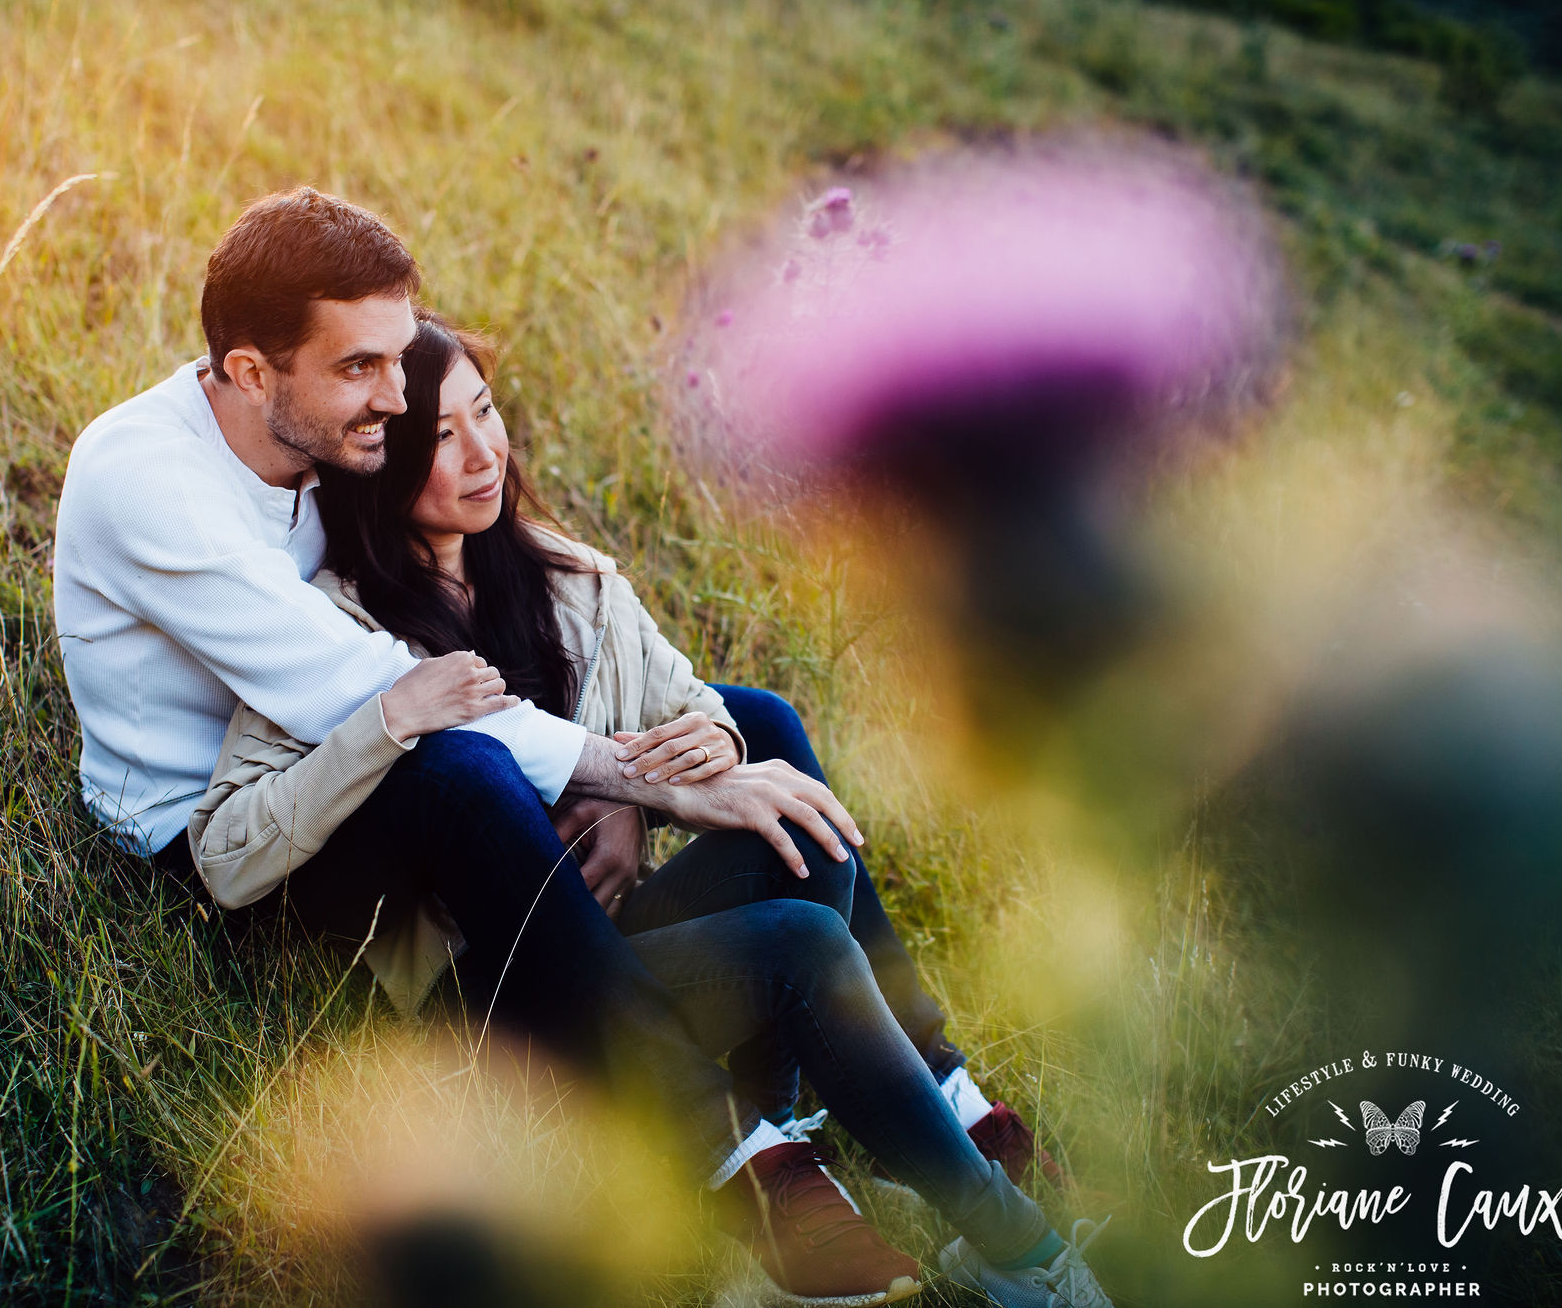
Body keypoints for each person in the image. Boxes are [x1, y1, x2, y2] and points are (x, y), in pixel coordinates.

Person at [54, 188, 915, 1305]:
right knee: (460, 768)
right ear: (252, 372)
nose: (393, 395)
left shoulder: (321, 428)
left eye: (395, 358)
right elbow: (369, 691)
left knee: (748, 720)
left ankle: (913, 1083)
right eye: (361, 367)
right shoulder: (149, 485)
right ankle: (722, 1148)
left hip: (378, 757)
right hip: (236, 844)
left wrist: (619, 784)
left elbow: (439, 567)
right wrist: (627, 778)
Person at [188, 309, 1117, 1308]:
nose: (480, 453)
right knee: (800, 944)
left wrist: (635, 787)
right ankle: (979, 1237)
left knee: (796, 813)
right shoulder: (336, 633)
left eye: (485, 412)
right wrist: (383, 723)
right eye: (438, 438)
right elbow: (228, 850)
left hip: (616, 942)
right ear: (380, 469)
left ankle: (833, 1125)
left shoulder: (559, 579)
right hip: (495, 996)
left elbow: (698, 710)